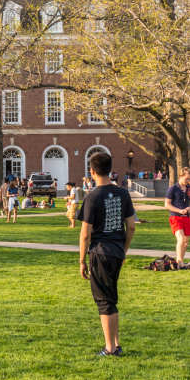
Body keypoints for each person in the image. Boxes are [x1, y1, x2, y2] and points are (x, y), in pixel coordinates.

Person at [78, 151, 135, 356]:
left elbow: (85, 234)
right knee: (110, 298)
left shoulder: (92, 197)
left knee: (104, 301)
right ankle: (116, 344)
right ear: (110, 170)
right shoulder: (123, 194)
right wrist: (123, 250)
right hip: (116, 252)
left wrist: (82, 261)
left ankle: (110, 348)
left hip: (99, 253)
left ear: (91, 172)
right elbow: (131, 227)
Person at [164, 167, 190, 265]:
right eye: (186, 179)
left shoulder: (189, 188)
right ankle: (180, 263)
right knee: (180, 239)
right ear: (180, 177)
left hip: (186, 217)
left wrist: (189, 208)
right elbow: (167, 204)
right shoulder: (173, 189)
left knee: (185, 242)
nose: (188, 181)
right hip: (175, 217)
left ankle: (179, 261)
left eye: (189, 179)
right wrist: (179, 210)